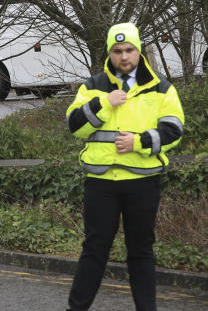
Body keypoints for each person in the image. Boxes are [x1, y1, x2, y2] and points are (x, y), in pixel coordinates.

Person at [65, 22, 185, 310]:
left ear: (139, 50)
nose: (124, 56)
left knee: (141, 252)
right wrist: (104, 103)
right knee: (94, 250)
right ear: (109, 52)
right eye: (117, 50)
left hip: (142, 182)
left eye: (129, 49)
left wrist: (140, 142)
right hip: (101, 182)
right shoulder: (93, 87)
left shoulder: (161, 88)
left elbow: (174, 129)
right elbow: (74, 125)